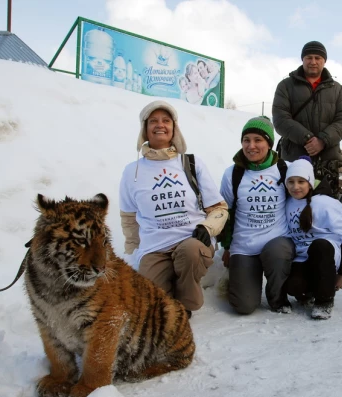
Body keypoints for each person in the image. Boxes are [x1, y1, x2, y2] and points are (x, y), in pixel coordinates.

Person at [119, 100, 229, 316]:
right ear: (145, 128)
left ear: (174, 127)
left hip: (191, 241)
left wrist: (208, 228)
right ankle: (167, 296)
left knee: (190, 252)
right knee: (149, 305)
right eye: (153, 121)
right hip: (154, 247)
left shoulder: (191, 163)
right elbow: (129, 216)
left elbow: (219, 208)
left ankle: (187, 300)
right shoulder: (132, 171)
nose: (160, 125)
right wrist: (132, 250)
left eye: (166, 120)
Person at [219, 116, 295, 315]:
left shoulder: (283, 169)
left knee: (278, 253)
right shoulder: (232, 174)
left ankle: (277, 297)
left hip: (277, 240)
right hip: (244, 245)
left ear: (269, 143)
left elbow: (302, 196)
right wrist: (227, 247)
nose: (251, 146)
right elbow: (225, 212)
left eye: (258, 140)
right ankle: (247, 281)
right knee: (243, 306)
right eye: (246, 140)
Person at [272, 41, 342, 197]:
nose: (313, 62)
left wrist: (322, 140)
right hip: (294, 160)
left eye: (317, 58)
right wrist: (308, 139)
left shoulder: (337, 89)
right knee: (294, 208)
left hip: (327, 161)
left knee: (326, 207)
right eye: (309, 57)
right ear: (303, 59)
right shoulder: (285, 86)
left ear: (324, 61)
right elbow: (280, 119)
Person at [283, 156, 342, 319]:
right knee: (294, 287)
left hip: (326, 254)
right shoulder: (288, 203)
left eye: (301, 182)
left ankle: (324, 301)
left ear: (310, 183)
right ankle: (309, 292)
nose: (296, 187)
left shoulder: (325, 204)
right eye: (291, 182)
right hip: (303, 257)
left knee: (319, 246)